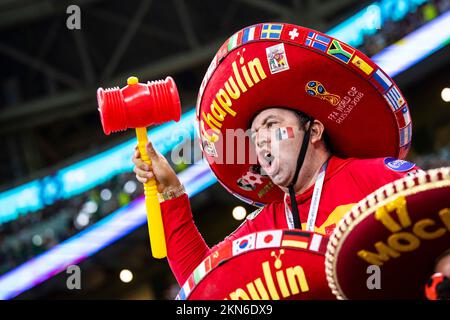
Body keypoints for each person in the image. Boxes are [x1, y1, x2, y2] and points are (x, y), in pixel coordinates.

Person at [132, 23, 420, 289]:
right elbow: (205, 284)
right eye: (255, 134)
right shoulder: (261, 228)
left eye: (271, 125)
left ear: (315, 131)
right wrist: (171, 191)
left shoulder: (380, 176)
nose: (261, 140)